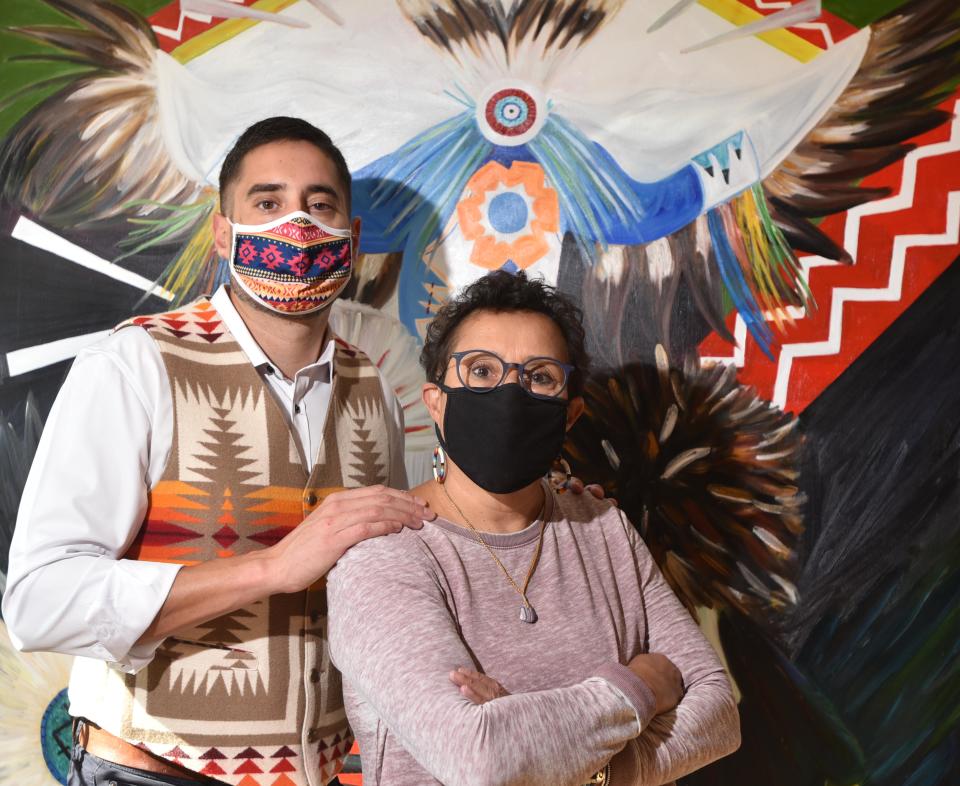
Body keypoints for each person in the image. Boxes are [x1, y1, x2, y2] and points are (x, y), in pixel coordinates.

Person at [2, 117, 432, 786]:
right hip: (151, 773)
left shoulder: (372, 388)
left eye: (320, 206)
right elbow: (38, 600)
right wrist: (269, 570)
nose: (297, 225)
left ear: (350, 240)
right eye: (268, 203)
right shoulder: (135, 366)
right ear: (223, 233)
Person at [327, 270, 741, 785]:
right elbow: (479, 758)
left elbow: (718, 711)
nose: (510, 393)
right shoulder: (384, 559)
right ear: (436, 402)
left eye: (539, 376)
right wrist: (640, 686)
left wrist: (577, 763)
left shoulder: (604, 527)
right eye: (480, 370)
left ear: (570, 415)